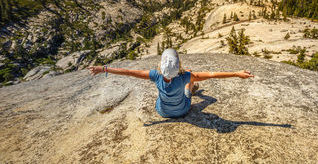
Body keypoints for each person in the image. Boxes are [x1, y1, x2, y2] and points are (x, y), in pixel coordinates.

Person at [87, 48, 254, 118]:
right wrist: (236, 74)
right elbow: (212, 74)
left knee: (163, 95)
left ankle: (186, 90)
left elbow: (128, 72)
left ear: (160, 65)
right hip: (182, 110)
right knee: (189, 85)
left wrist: (104, 69)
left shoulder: (155, 76)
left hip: (162, 112)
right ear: (178, 64)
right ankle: (192, 88)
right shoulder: (185, 75)